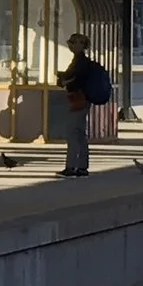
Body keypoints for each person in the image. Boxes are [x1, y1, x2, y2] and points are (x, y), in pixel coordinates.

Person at [60, 32, 104, 178]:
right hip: (83, 99)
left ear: (82, 45)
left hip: (78, 99)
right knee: (79, 133)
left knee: (73, 132)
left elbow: (73, 79)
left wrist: (63, 80)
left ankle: (72, 166)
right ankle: (81, 166)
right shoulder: (81, 61)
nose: (71, 45)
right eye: (70, 42)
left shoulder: (80, 62)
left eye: (74, 42)